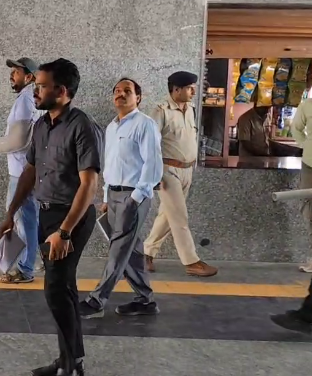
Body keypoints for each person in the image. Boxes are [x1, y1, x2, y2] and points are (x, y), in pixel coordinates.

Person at [0, 59, 101, 376]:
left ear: (62, 90)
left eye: (41, 86)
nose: (35, 91)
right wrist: (11, 212)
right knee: (64, 289)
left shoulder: (81, 126)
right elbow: (29, 172)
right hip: (45, 214)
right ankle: (72, 360)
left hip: (71, 217)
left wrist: (65, 232)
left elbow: (89, 184)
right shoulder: (42, 125)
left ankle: (69, 365)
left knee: (55, 289)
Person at [79, 78, 163, 320]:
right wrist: (106, 196)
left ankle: (97, 300)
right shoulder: (112, 127)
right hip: (114, 194)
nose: (121, 94)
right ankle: (145, 300)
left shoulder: (145, 124)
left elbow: (153, 165)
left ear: (138, 97)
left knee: (118, 249)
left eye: (127, 91)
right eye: (117, 91)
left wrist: (135, 198)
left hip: (133, 195)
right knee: (131, 250)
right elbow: (111, 164)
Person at [144, 71, 218, 277]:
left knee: (168, 215)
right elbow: (149, 144)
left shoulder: (190, 109)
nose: (193, 91)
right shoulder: (160, 111)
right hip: (167, 171)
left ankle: (146, 253)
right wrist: (153, 174)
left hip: (187, 170)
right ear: (176, 89)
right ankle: (191, 261)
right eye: (189, 88)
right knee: (179, 217)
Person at [0, 57, 42, 284]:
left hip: (21, 172)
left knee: (23, 221)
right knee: (27, 220)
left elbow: (19, 140)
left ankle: (25, 269)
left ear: (29, 76)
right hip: (24, 170)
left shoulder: (26, 100)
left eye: (17, 72)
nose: (12, 75)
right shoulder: (29, 98)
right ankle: (29, 262)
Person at [290, 95, 312, 272]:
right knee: (310, 210)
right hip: (310, 164)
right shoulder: (306, 105)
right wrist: (307, 145)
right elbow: (295, 128)